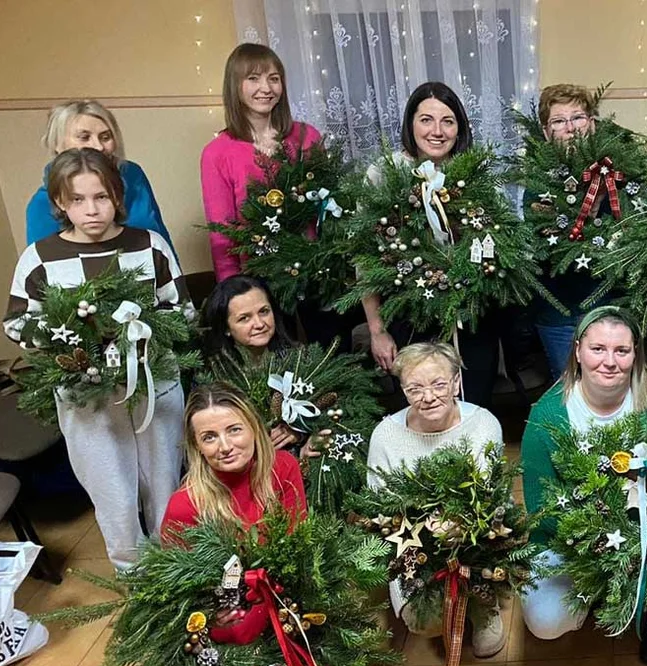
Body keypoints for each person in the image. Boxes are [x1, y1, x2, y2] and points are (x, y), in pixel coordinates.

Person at [3, 148, 190, 570]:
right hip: (86, 396)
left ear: (117, 197)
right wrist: (67, 341)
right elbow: (17, 324)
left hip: (152, 383)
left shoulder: (148, 246)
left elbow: (180, 309)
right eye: (79, 200)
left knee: (163, 483)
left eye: (102, 197)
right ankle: (135, 576)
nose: (92, 210)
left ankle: (176, 571)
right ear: (60, 204)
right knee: (113, 492)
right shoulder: (40, 259)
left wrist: (142, 332)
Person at [520, 306, 647, 666]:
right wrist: (600, 540)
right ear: (577, 352)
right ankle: (594, 594)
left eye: (621, 351)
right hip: (574, 538)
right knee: (545, 620)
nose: (610, 361)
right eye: (598, 349)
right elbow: (540, 502)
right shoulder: (549, 414)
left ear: (636, 354)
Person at [358, 82, 502, 408]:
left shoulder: (472, 173)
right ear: (411, 123)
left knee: (473, 404)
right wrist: (378, 331)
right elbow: (364, 259)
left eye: (447, 121)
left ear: (459, 128)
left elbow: (498, 238)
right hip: (410, 314)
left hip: (471, 316)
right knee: (424, 407)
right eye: (426, 120)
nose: (437, 131)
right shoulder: (385, 173)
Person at [201, 44, 352, 348]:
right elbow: (222, 235)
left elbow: (330, 206)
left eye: (274, 78)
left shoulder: (306, 137)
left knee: (335, 355)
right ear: (235, 85)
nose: (266, 88)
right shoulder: (218, 152)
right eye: (254, 79)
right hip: (260, 282)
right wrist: (234, 295)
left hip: (317, 274)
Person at [365, 342, 507, 658]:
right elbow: (378, 509)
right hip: (413, 545)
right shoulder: (385, 436)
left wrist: (462, 524)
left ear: (456, 382)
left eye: (439, 384)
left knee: (493, 537)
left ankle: (484, 602)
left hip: (474, 534)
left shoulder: (483, 424)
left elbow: (489, 495)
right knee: (424, 621)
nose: (428, 397)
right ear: (402, 390)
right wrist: (421, 536)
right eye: (415, 388)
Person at [160, 382, 307, 542]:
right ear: (197, 446)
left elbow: (297, 545)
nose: (225, 447)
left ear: (254, 427)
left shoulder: (283, 467)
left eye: (234, 430)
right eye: (209, 437)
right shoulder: (183, 505)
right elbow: (177, 565)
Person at [25, 101, 171, 249]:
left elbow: (161, 237)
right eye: (84, 137)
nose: (99, 146)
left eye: (105, 137)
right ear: (57, 144)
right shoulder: (41, 204)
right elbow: (45, 262)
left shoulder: (132, 174)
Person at [532, 84, 601, 379]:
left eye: (578, 118)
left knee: (615, 393)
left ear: (592, 124)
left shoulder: (616, 173)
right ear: (547, 133)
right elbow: (543, 243)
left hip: (607, 307)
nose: (570, 128)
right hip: (557, 313)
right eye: (558, 121)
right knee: (568, 391)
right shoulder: (534, 178)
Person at [200, 274, 307, 451]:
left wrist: (300, 431)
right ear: (226, 328)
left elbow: (327, 413)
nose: (259, 324)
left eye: (264, 311)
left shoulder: (299, 359)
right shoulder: (213, 375)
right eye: (244, 318)